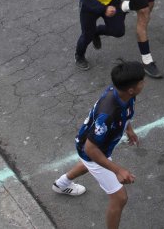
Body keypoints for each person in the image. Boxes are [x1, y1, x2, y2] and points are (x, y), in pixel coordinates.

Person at [52, 60, 146, 229]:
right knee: (119, 197)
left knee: (92, 165)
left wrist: (128, 128)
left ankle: (61, 184)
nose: (143, 83)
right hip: (92, 149)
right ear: (131, 89)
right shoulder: (108, 113)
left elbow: (126, 113)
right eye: (141, 82)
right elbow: (91, 149)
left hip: (99, 146)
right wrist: (118, 170)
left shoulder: (125, 93)